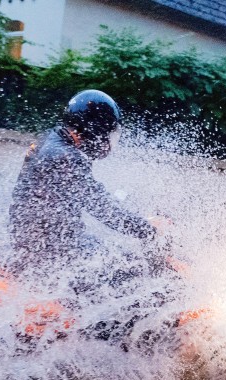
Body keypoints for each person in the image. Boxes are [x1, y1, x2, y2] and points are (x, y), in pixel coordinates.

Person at [9, 89, 156, 274]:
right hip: (51, 252)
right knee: (135, 269)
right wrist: (149, 231)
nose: (107, 144)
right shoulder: (65, 156)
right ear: (95, 131)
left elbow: (91, 194)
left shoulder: (53, 139)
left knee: (115, 253)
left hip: (40, 240)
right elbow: (102, 208)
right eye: (108, 136)